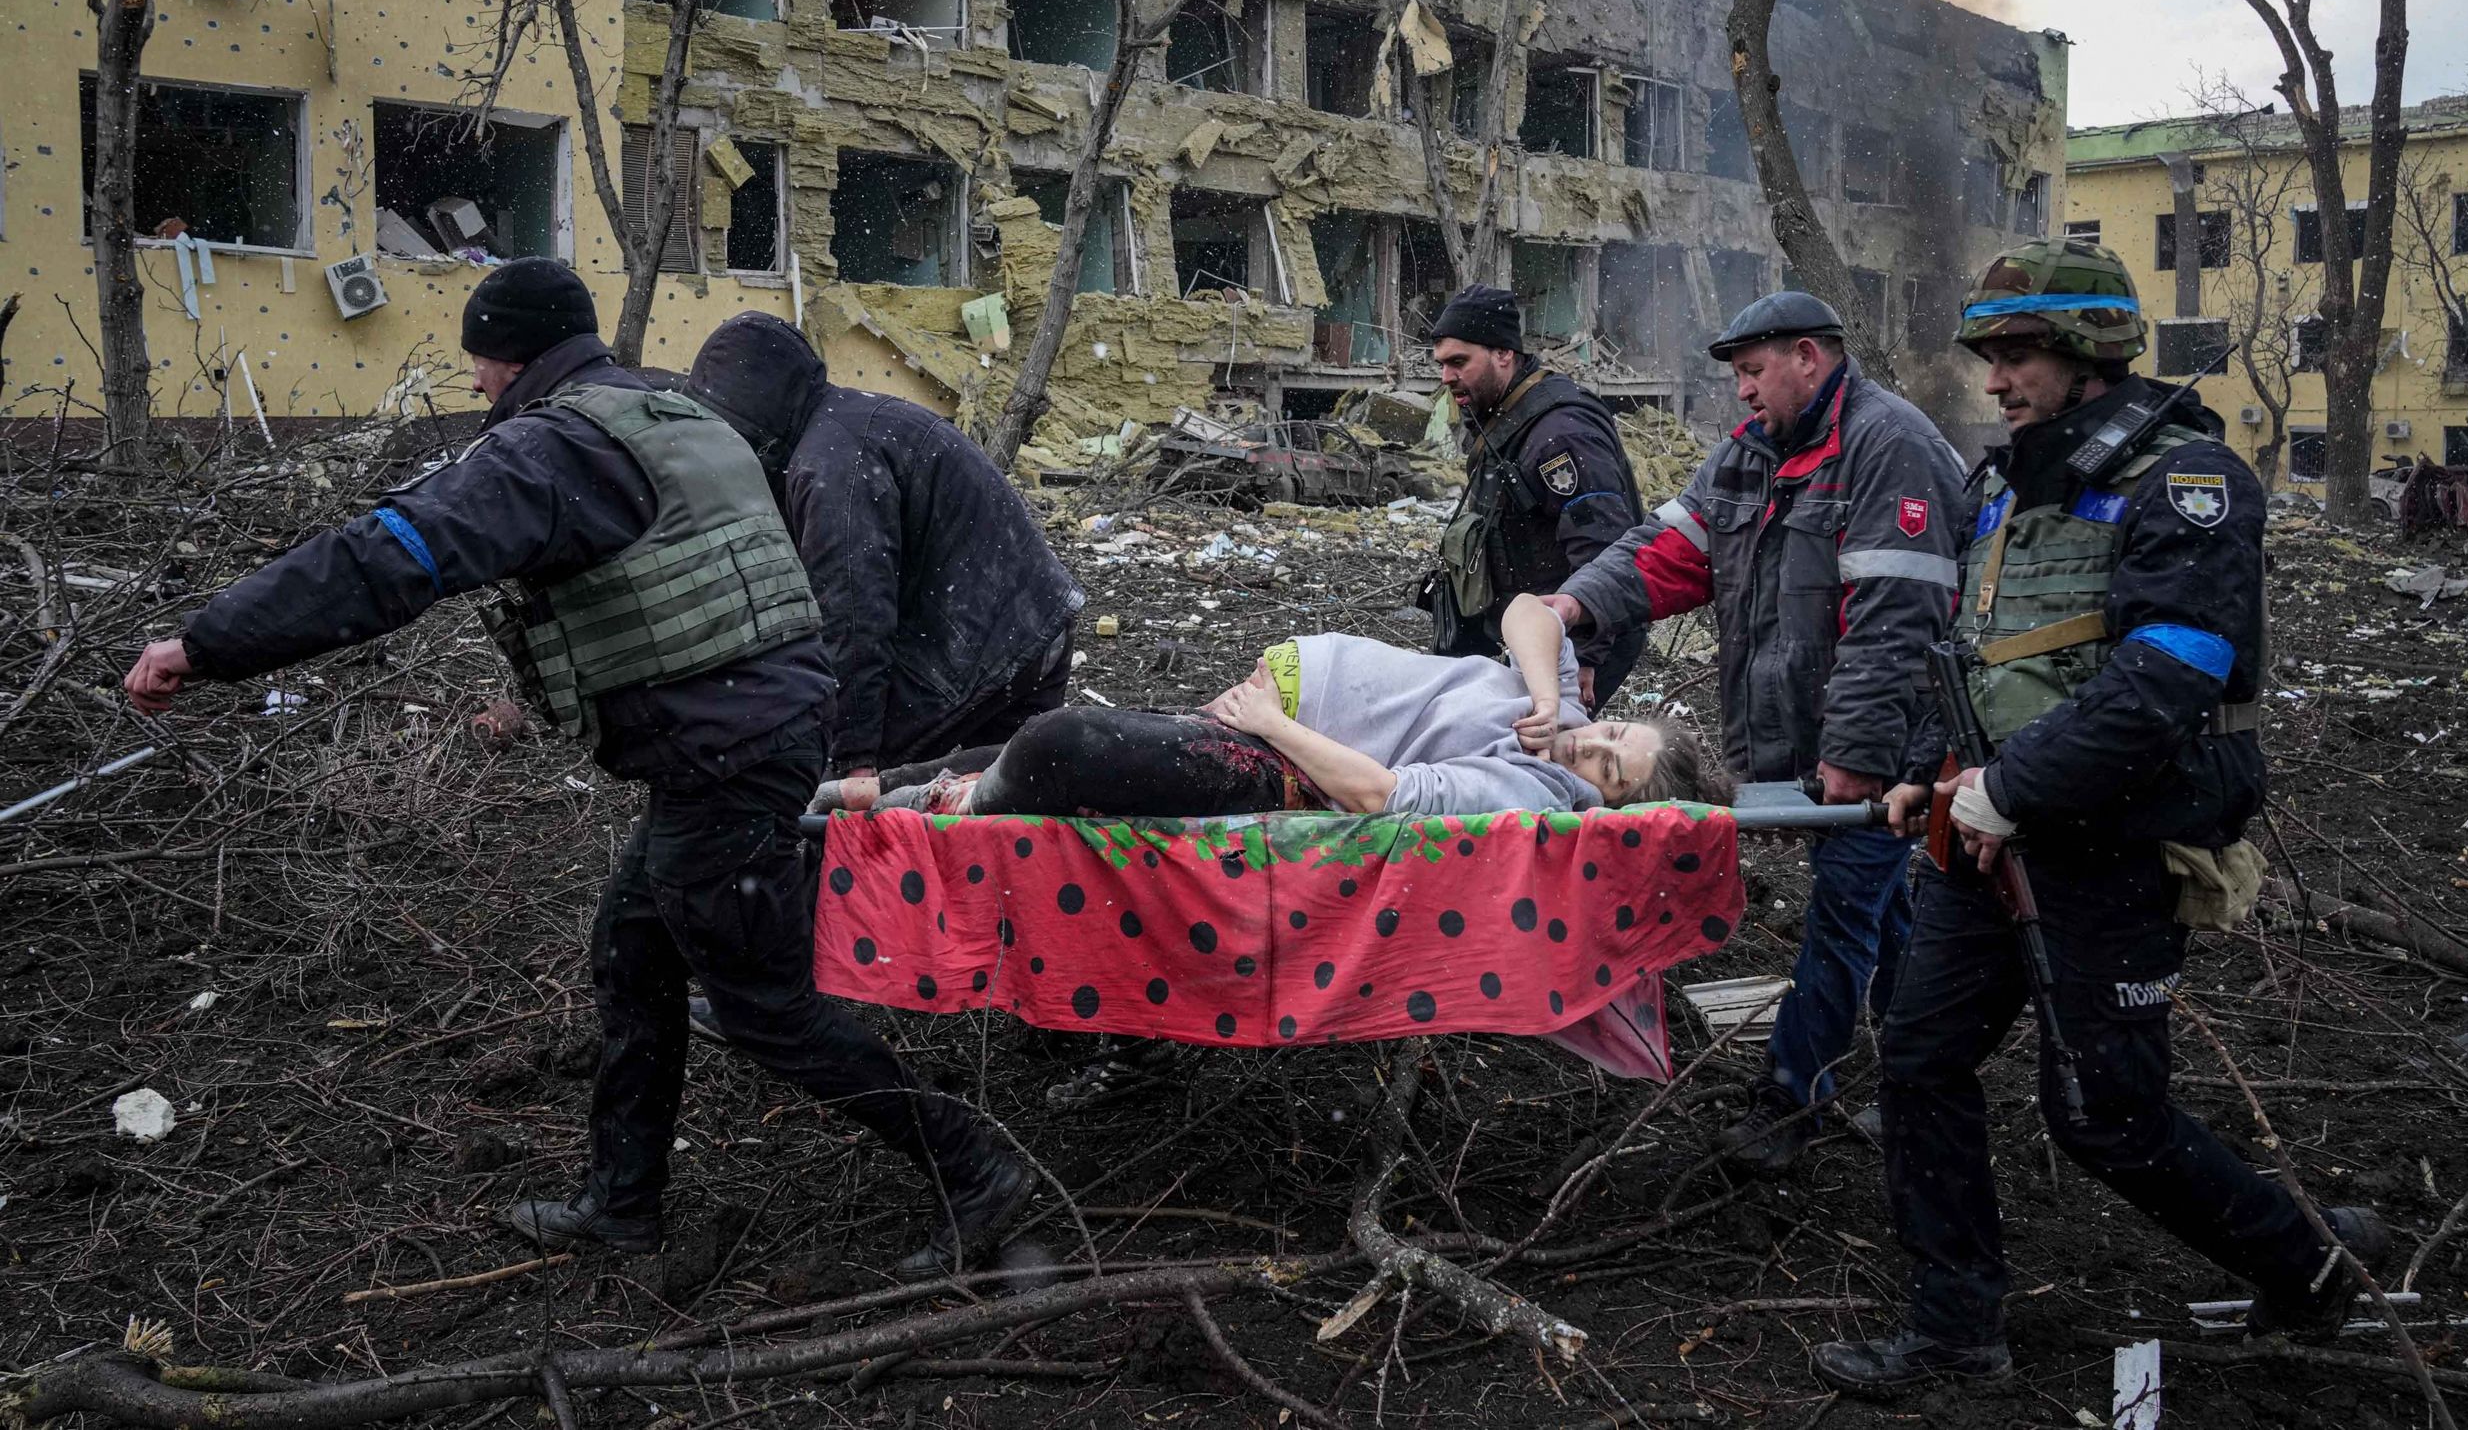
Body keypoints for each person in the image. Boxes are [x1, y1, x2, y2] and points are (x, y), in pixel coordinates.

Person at [121, 262, 1031, 1281]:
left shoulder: (551, 448)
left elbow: (387, 558)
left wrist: (206, 645)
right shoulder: (667, 405)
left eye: (477, 359)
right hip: (755, 729)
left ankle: (974, 1167)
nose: (472, 384)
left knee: (763, 1004)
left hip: (726, 750)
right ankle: (620, 1206)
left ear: (508, 357)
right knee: (633, 952)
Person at [1811, 241, 2389, 1395]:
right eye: (1992, 355)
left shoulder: (2187, 483)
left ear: (2088, 354)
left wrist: (2009, 791)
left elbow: (2168, 675)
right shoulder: (2007, 485)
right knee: (1919, 1059)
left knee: (2104, 1117)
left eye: (2018, 353)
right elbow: (1987, 666)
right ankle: (1954, 1337)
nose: (1996, 377)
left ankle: (2310, 1273)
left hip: (2108, 849)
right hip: (1984, 843)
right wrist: (1941, 776)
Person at [1543, 290, 1964, 1169]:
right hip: (1799, 739)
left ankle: (1789, 1095)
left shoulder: (1892, 448)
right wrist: (1576, 604)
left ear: (1809, 356)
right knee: (1877, 906)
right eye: (1736, 375)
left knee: (1845, 910)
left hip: (1884, 745)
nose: (1740, 392)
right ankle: (1923, 1058)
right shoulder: (1749, 457)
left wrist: (1855, 755)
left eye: (1752, 371)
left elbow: (1896, 621)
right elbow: (1666, 551)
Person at [685, 312, 1082, 813]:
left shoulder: (829, 463)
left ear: (748, 419)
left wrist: (854, 761)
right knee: (1003, 812)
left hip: (984, 645)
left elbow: (853, 614)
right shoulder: (842, 426)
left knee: (841, 801)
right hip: (1031, 624)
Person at [879, 594, 1714, 819]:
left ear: (1607, 808)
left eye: (1607, 771)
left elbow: (1382, 796)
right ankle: (867, 788)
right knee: (1063, 744)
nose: (1585, 751)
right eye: (1609, 734)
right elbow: (1529, 610)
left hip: (1282, 761)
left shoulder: (1532, 791)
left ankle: (923, 807)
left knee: (1061, 744)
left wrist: (1275, 725)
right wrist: (1546, 694)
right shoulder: (1557, 715)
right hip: (1276, 705)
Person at [1423, 283, 1649, 707]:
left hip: (1570, 637)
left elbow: (1603, 550)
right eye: (1441, 364)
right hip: (1529, 629)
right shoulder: (1503, 414)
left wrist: (1584, 653)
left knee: (1546, 752)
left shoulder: (1560, 435)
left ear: (1504, 353)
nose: (1446, 377)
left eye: (1458, 362)